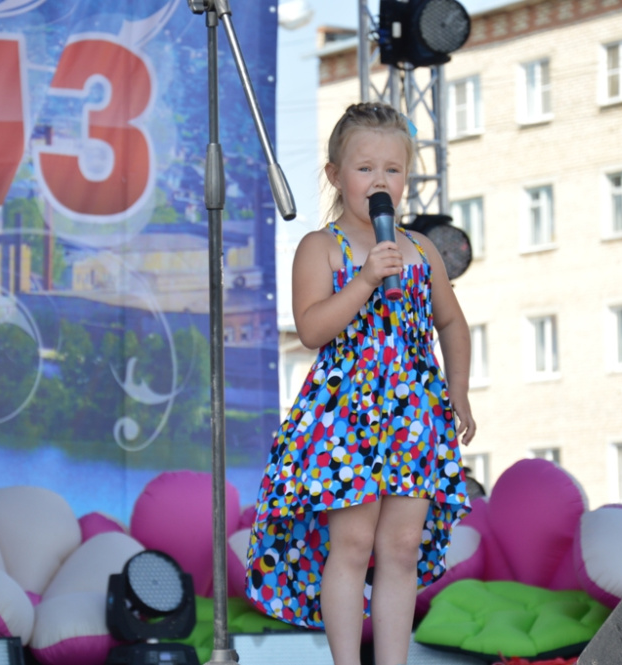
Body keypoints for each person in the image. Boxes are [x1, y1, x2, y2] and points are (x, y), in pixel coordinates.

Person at [245, 102, 476, 665]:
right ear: (335, 175)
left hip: (413, 413)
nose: (379, 181)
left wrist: (459, 391)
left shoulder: (421, 250)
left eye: (392, 170)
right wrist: (367, 278)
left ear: (406, 178)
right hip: (346, 415)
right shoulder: (321, 247)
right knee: (351, 543)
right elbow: (311, 328)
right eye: (365, 168)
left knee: (401, 545)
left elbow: (451, 322)